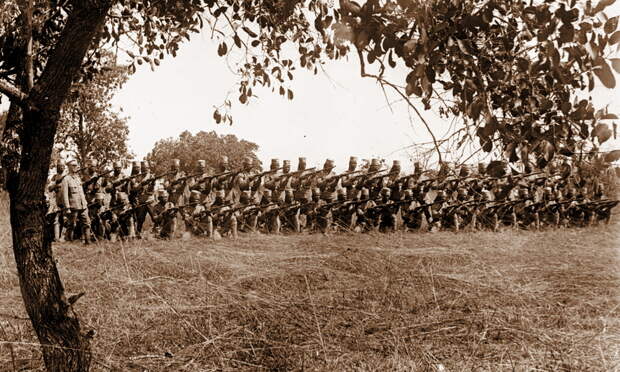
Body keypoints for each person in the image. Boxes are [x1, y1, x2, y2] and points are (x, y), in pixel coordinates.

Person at [60, 159, 92, 244]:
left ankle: (88, 242)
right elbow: (64, 195)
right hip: (73, 206)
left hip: (83, 205)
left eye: (76, 165)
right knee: (72, 225)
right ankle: (69, 241)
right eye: (73, 165)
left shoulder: (78, 178)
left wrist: (85, 202)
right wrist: (67, 207)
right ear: (69, 167)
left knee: (87, 223)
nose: (76, 167)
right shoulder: (66, 179)